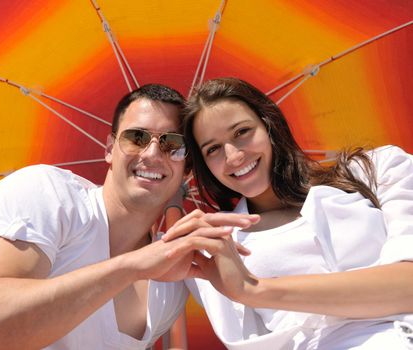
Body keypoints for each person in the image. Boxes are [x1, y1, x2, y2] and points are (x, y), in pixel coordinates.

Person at [0, 83, 258, 350]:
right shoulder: (49, 192)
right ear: (110, 149)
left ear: (186, 167)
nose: (152, 154)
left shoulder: (171, 286)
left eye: (173, 144)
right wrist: (134, 265)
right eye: (136, 137)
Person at [163, 77, 413, 349]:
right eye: (213, 149)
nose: (234, 156)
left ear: (268, 126)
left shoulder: (377, 171)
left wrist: (253, 289)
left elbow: (408, 287)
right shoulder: (216, 248)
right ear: (204, 165)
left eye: (242, 132)